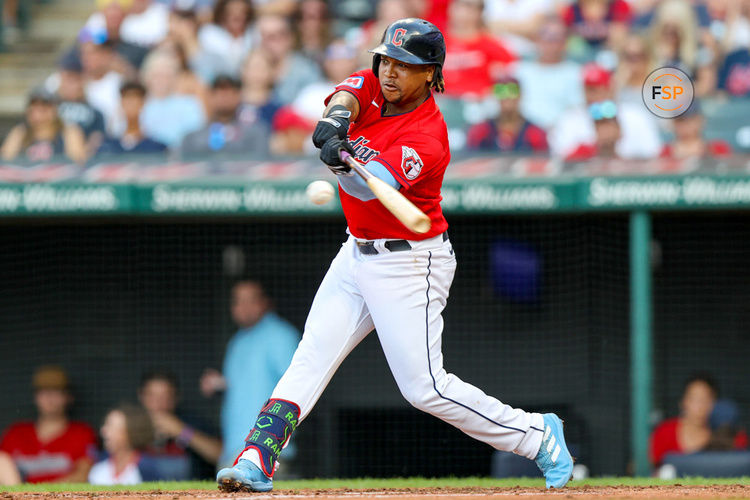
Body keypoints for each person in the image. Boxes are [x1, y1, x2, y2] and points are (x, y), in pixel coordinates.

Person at [214, 18, 574, 493]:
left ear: (431, 74)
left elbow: (369, 191)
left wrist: (342, 164)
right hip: (356, 252)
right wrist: (335, 123)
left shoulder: (428, 135)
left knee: (425, 388)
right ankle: (256, 458)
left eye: (405, 66)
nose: (390, 72)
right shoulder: (372, 82)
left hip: (410, 263)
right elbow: (346, 97)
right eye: (387, 59)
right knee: (310, 357)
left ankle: (536, 435)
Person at [200, 280, 300, 468]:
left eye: (250, 300)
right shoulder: (237, 341)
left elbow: (298, 384)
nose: (243, 307)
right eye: (238, 301)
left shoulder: (280, 335)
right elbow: (247, 385)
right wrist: (220, 384)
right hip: (234, 447)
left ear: (265, 302)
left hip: (268, 449)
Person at [0, 366, 97, 484]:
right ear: (35, 397)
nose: (49, 398)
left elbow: (85, 473)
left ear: (68, 397)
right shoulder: (15, 433)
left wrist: (42, 494)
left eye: (56, 392)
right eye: (44, 392)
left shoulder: (81, 432)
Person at [548, 63, 661, 160]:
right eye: (591, 90)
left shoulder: (635, 115)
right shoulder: (570, 119)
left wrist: (616, 153)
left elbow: (654, 156)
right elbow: (561, 162)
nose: (598, 95)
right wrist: (595, 148)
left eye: (603, 88)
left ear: (612, 88)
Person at [650, 374, 748, 468]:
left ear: (716, 403)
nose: (700, 407)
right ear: (683, 402)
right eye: (694, 399)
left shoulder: (730, 434)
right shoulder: (664, 432)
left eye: (706, 400)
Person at [138, 371, 221, 479]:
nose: (158, 404)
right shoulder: (132, 424)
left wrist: (182, 431)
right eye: (152, 396)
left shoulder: (191, 422)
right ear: (141, 396)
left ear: (176, 398)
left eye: (165, 397)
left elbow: (220, 455)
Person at [514, 17, 584, 129]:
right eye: (545, 37)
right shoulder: (518, 71)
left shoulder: (575, 73)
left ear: (564, 43)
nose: (550, 43)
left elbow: (577, 111)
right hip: (524, 136)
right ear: (537, 39)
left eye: (556, 38)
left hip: (561, 133)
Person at [180, 75, 270, 156]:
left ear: (238, 96)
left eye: (229, 93)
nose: (224, 98)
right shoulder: (192, 138)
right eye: (219, 93)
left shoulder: (255, 134)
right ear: (210, 97)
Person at [441, 0, 515, 99]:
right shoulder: (433, 42)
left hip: (478, 105)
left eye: (469, 6)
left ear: (479, 12)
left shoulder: (491, 44)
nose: (463, 11)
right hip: (440, 104)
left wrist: (492, 94)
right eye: (459, 5)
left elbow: (512, 84)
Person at [0, 89, 87, 165]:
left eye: (44, 107)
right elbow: (6, 161)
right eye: (35, 107)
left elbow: (77, 163)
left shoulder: (68, 131)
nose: (39, 114)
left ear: (54, 110)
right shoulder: (21, 132)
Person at [140, 49, 206, 148]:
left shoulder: (189, 105)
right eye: (157, 75)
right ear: (147, 77)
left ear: (175, 77)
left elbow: (195, 136)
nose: (161, 80)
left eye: (167, 76)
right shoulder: (139, 106)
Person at [466, 76, 548, 153]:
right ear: (495, 96)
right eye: (500, 90)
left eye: (512, 90)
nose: (507, 96)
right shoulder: (481, 132)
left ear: (520, 95)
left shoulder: (535, 133)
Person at [88, 404, 159, 485]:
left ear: (131, 433)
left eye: (112, 427)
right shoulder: (98, 466)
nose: (103, 431)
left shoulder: (147, 468)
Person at [97, 82, 168, 155]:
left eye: (135, 100)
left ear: (143, 104)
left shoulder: (157, 147)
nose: (131, 105)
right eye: (127, 100)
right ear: (121, 103)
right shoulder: (107, 146)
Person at [56, 57, 108, 157]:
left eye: (76, 79)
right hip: (53, 159)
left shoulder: (96, 113)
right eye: (68, 79)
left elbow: (96, 139)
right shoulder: (50, 108)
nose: (72, 85)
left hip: (83, 161)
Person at [660, 101, 732, 159]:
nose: (685, 126)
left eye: (690, 120)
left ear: (700, 121)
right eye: (680, 121)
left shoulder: (718, 149)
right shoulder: (666, 153)